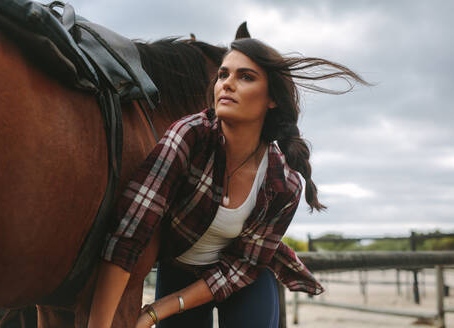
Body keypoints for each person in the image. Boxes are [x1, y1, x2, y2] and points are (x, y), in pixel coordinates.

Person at [88, 38, 367, 328]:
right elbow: (130, 230)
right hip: (181, 268)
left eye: (245, 77)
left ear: (272, 98)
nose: (227, 84)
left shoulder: (285, 185)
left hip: (243, 277)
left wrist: (161, 309)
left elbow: (242, 266)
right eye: (223, 74)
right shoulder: (188, 136)